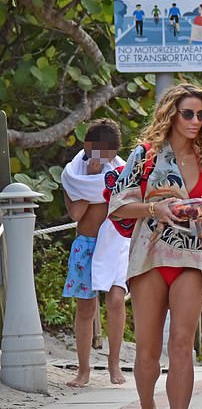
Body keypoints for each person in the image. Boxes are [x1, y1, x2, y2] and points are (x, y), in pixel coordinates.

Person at [108, 83, 202, 409]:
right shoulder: (144, 156)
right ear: (171, 114)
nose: (195, 121)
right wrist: (153, 209)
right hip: (150, 257)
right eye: (188, 113)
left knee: (181, 343)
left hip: (192, 257)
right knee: (147, 347)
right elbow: (118, 205)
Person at [61, 119, 128, 387]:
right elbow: (76, 213)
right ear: (90, 148)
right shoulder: (72, 174)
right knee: (86, 307)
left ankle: (114, 364)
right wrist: (90, 180)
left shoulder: (121, 172)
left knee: (115, 300)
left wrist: (103, 180)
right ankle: (84, 370)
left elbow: (126, 203)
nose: (107, 160)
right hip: (86, 243)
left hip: (114, 243)